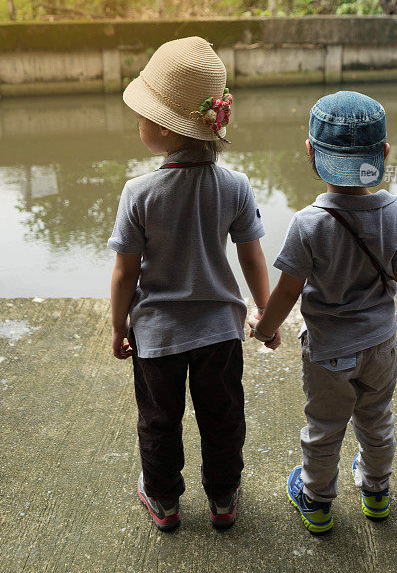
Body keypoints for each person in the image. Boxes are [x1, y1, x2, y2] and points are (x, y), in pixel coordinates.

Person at [108, 36, 275, 532]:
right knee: (223, 419)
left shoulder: (139, 193)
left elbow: (125, 272)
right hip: (221, 333)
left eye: (142, 116)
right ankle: (223, 498)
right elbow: (251, 255)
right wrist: (265, 314)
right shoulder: (235, 186)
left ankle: (163, 499)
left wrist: (118, 324)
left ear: (161, 129)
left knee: (159, 421)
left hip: (157, 336)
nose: (138, 123)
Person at [249, 90, 397, 534]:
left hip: (328, 354)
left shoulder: (309, 223)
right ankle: (377, 495)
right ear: (383, 153)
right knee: (376, 420)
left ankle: (318, 503)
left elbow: (286, 294)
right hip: (381, 346)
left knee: (324, 429)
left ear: (310, 152)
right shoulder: (396, 211)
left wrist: (263, 328)